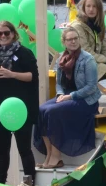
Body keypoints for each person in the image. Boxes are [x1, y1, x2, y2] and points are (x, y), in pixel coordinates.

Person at [35, 28, 101, 168]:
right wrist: (60, 95)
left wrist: (70, 97)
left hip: (86, 101)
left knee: (54, 111)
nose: (73, 42)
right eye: (70, 39)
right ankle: (49, 155)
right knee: (41, 110)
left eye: (75, 38)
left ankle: (56, 157)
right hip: (67, 97)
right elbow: (59, 84)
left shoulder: (87, 59)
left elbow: (92, 87)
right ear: (64, 42)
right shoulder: (61, 59)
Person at [0, 21, 39, 184]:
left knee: (24, 150)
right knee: (2, 151)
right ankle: (1, 184)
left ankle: (30, 183)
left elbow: (32, 76)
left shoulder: (25, 53)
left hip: (21, 109)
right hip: (0, 109)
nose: (2, 36)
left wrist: (12, 74)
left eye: (6, 33)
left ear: (13, 34)